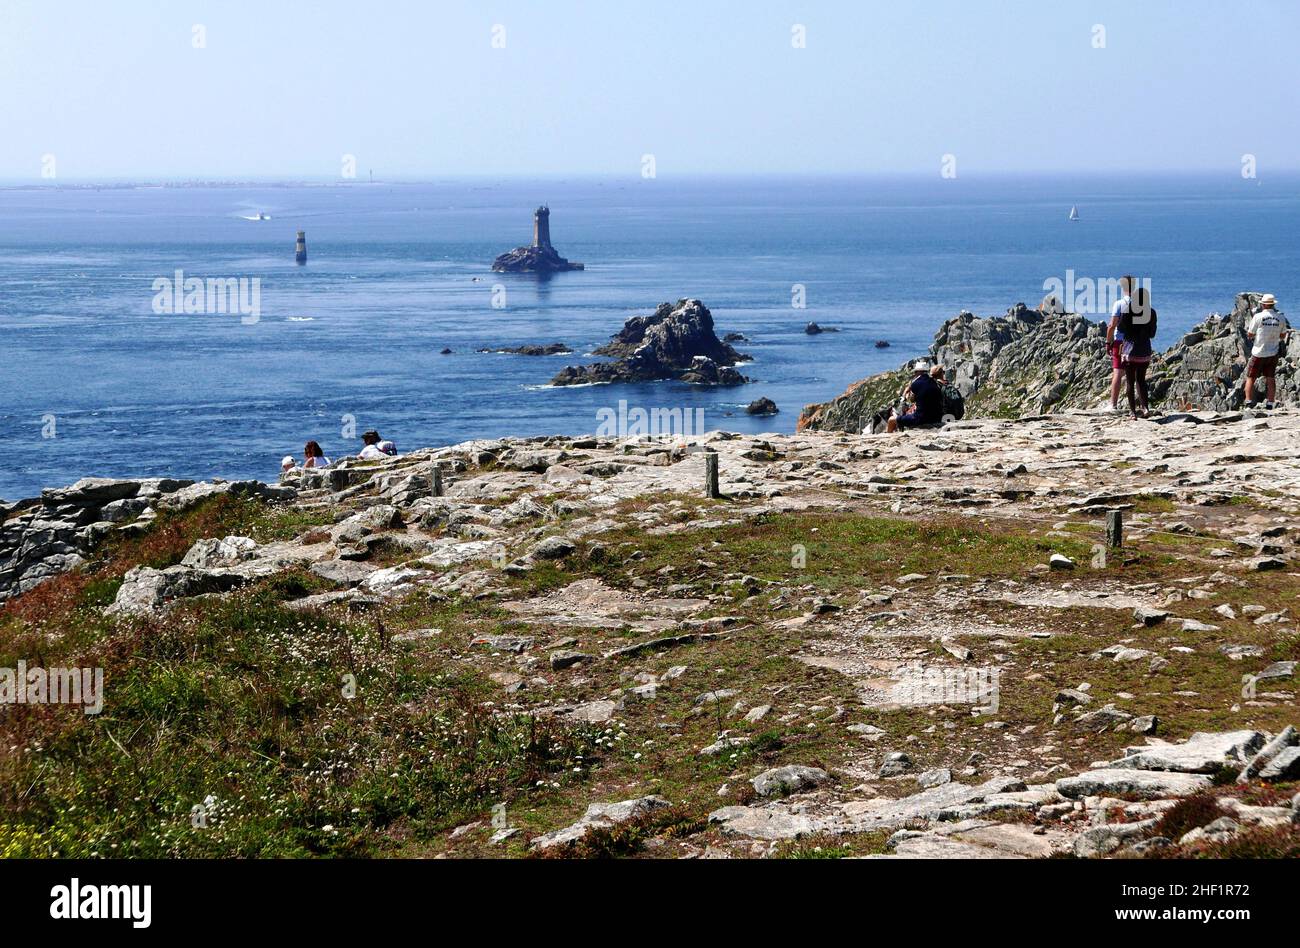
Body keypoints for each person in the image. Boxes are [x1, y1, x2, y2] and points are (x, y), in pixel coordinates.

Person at [1243, 294, 1289, 409]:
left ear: (1263, 305)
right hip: (1273, 352)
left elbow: (1250, 333)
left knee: (1250, 377)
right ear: (1273, 304)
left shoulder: (1258, 317)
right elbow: (1283, 335)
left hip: (1259, 352)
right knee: (1270, 378)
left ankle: (1248, 402)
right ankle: (1270, 403)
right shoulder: (1280, 317)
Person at [1119, 286, 1158, 418]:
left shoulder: (1127, 311)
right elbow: (1152, 334)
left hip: (1130, 351)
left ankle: (1132, 412)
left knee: (1130, 381)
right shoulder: (1151, 313)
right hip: (1144, 351)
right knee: (1141, 380)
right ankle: (1145, 407)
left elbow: (1121, 329)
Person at [1106, 276, 1138, 411]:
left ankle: (1113, 404)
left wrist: (1108, 342)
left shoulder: (1119, 304)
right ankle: (1139, 405)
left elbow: (1112, 325)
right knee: (1136, 373)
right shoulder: (1140, 304)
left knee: (1118, 372)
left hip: (1120, 342)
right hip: (1136, 341)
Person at [886, 360, 944, 432]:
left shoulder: (915, 383)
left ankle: (889, 437)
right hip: (937, 417)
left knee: (891, 419)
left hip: (921, 419)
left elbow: (911, 399)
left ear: (918, 372)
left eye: (915, 372)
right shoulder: (934, 382)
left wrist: (906, 394)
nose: (914, 374)